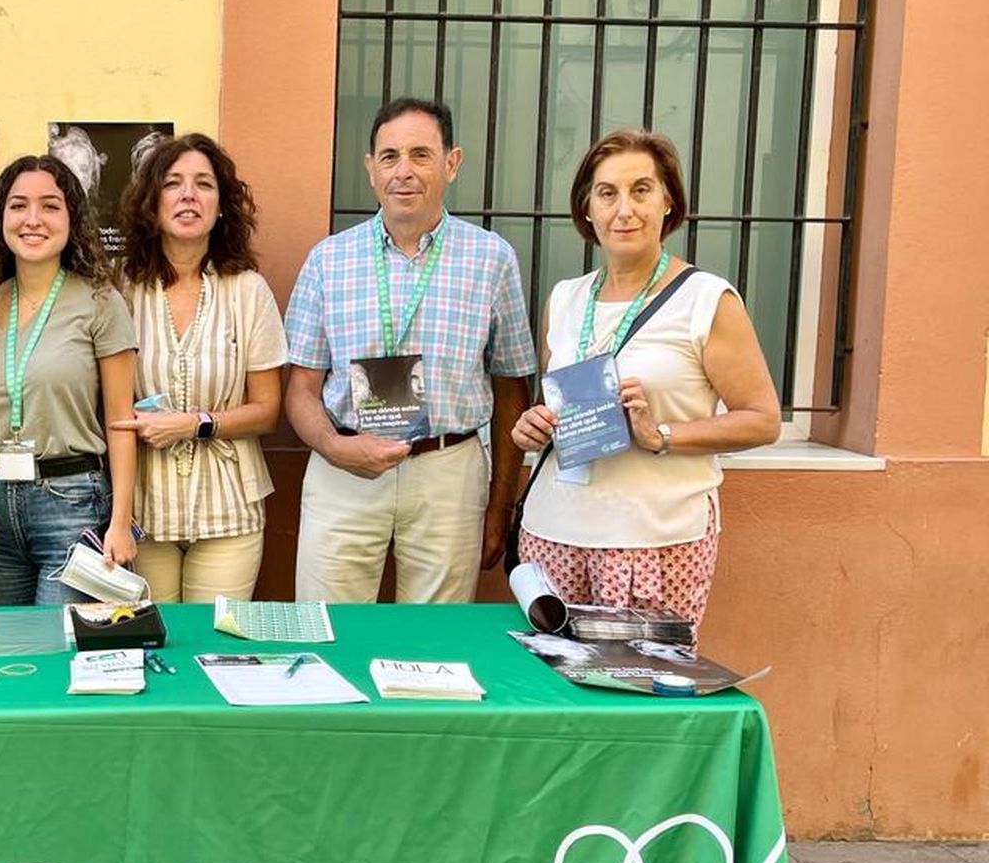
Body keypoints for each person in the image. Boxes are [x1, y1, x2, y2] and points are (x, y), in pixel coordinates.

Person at [509, 128, 780, 632]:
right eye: (607, 193)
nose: (624, 210)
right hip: (552, 534)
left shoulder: (705, 299)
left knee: (641, 678)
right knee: (549, 678)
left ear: (668, 201)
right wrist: (534, 426)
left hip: (653, 540)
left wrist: (661, 435)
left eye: (641, 190)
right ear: (587, 208)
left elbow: (763, 420)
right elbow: (558, 410)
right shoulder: (565, 299)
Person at [284, 96, 537, 604]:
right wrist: (334, 447)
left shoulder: (492, 259)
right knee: (329, 629)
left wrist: (501, 505)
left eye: (421, 155)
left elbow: (512, 388)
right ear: (370, 168)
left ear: (451, 163)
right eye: (389, 156)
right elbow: (301, 389)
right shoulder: (328, 260)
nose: (403, 171)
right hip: (344, 469)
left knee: (434, 638)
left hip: (448, 472)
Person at [0, 155, 139, 605]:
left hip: (72, 503)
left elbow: (121, 421)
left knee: (58, 639)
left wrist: (120, 523)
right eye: (19, 206)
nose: (33, 219)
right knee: (0, 642)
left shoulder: (100, 301)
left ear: (72, 219)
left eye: (50, 206)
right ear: (0, 218)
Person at [110, 133, 285, 603]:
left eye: (204, 184)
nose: (188, 195)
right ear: (151, 203)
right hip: (143, 509)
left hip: (229, 507)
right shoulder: (119, 287)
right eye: (173, 183)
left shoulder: (248, 290)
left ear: (222, 205)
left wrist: (194, 424)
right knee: (154, 635)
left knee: (214, 638)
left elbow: (268, 410)